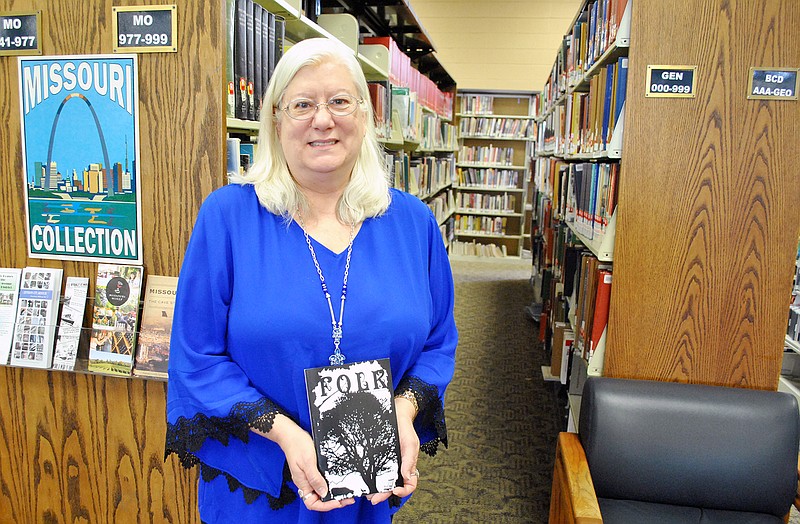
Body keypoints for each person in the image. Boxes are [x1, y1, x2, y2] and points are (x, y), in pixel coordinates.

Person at [165, 37, 457, 523]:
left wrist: (403, 413)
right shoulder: (228, 218)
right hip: (260, 489)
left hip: (366, 488)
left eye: (340, 101)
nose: (323, 119)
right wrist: (285, 433)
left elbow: (438, 343)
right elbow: (197, 355)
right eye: (303, 104)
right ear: (276, 121)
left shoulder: (413, 223)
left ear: (364, 116)